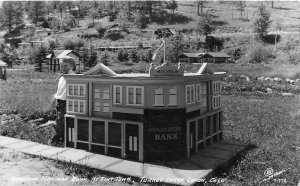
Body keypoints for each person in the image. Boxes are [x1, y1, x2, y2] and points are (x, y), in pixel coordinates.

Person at [49, 56, 75, 146]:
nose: (63, 68)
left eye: (65, 66)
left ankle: (54, 140)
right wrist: (54, 101)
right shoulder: (62, 78)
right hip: (59, 103)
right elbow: (59, 92)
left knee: (60, 122)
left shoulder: (73, 77)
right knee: (60, 121)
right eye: (61, 66)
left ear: (72, 66)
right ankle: (61, 140)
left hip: (67, 103)